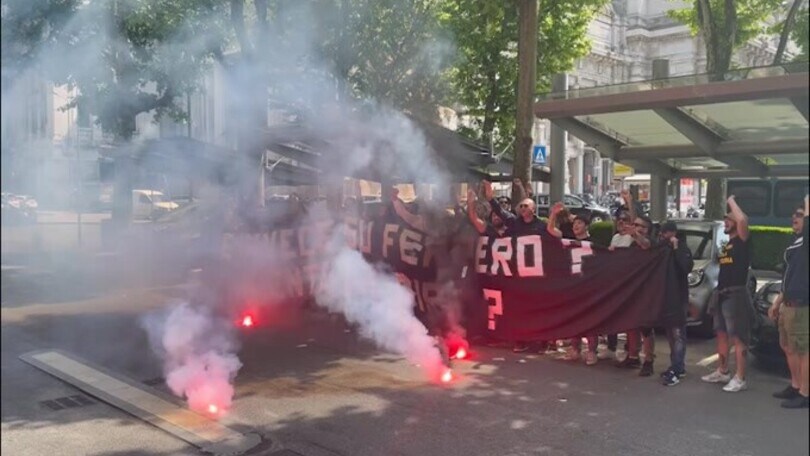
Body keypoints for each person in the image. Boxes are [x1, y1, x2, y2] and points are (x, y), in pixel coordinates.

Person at [701, 195, 753, 393]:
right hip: (721, 294)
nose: (726, 221)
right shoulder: (727, 244)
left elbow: (743, 220)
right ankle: (723, 371)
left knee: (738, 336)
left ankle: (740, 377)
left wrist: (730, 200)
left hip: (735, 294)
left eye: (729, 219)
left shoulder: (743, 240)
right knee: (721, 333)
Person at [768, 195, 809, 408]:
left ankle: (805, 393)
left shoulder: (807, 242)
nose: (795, 217)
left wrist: (807, 200)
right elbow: (788, 277)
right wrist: (777, 303)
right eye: (794, 215)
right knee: (787, 346)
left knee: (803, 350)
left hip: (802, 306)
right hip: (788, 304)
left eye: (800, 215)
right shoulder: (795, 243)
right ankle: (795, 385)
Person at [547, 203, 598, 365]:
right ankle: (575, 349)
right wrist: (553, 214)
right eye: (574, 223)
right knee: (575, 318)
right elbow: (551, 230)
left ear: (586, 226)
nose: (576, 226)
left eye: (580, 223)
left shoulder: (593, 243)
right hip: (573, 286)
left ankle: (591, 351)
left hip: (588, 287)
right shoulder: (569, 240)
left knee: (590, 320)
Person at [658, 221, 695, 386]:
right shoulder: (663, 249)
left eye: (665, 233)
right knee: (671, 335)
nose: (662, 236)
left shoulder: (682, 248)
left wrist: (676, 248)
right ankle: (676, 365)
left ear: (672, 233)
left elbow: (686, 267)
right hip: (667, 297)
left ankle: (677, 368)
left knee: (678, 334)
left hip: (679, 297)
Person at [616, 214, 654, 373]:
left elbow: (645, 244)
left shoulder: (651, 243)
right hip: (632, 290)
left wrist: (635, 234)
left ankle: (649, 361)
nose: (638, 228)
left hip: (647, 289)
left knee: (645, 327)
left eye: (642, 226)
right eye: (636, 225)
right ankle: (633, 356)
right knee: (630, 323)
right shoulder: (631, 245)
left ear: (648, 229)